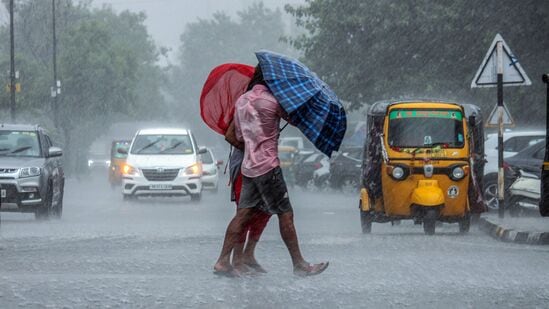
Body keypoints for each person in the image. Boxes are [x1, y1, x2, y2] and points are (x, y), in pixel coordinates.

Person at [213, 65, 329, 277]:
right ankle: (299, 264)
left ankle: (222, 261)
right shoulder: (273, 102)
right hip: (268, 168)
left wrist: (253, 146)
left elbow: (237, 136)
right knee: (286, 214)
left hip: (249, 168)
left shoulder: (242, 101)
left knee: (242, 215)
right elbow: (295, 119)